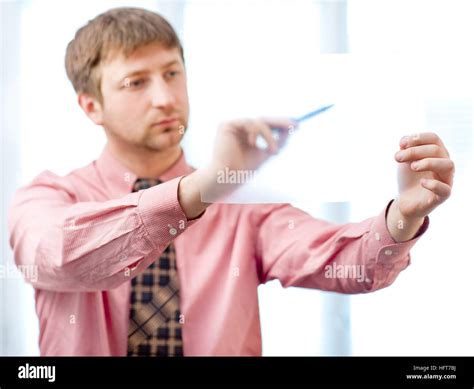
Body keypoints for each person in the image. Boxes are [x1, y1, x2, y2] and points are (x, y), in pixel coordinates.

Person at [7, 7, 455, 356]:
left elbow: (346, 264)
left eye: (171, 73)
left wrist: (403, 216)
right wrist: (203, 189)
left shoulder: (242, 199)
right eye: (135, 83)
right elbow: (61, 256)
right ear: (91, 107)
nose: (164, 98)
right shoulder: (47, 199)